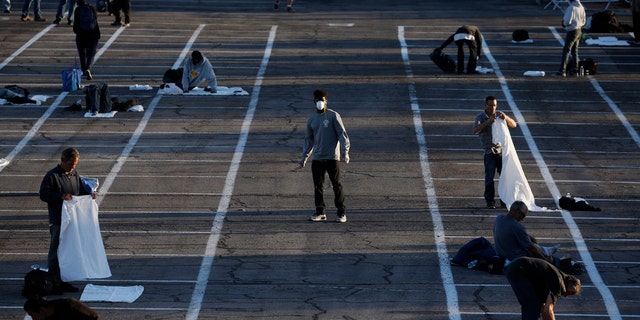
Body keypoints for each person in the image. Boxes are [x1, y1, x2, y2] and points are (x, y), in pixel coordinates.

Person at [39, 148, 96, 294]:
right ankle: (53, 282)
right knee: (56, 252)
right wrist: (61, 196)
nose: (73, 167)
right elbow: (44, 194)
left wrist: (90, 194)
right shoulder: (52, 176)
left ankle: (64, 281)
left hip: (72, 220)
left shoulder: (74, 174)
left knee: (69, 252)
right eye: (71, 164)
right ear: (63, 160)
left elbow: (80, 191)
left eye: (75, 164)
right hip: (58, 221)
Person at [300, 89, 350, 223]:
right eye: (318, 100)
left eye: (322, 100)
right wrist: (305, 156)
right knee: (318, 186)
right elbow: (309, 140)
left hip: (332, 157)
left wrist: (345, 151)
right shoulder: (312, 120)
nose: (320, 102)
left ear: (326, 101)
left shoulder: (333, 116)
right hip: (317, 158)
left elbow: (342, 133)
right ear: (314, 101)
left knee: (336, 184)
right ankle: (320, 211)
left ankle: (341, 213)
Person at [473, 96, 516, 209]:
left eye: (495, 105)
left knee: (504, 177)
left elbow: (514, 124)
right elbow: (475, 130)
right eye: (491, 105)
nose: (493, 108)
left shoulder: (499, 114)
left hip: (502, 151)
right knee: (489, 178)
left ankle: (504, 200)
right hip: (489, 152)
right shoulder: (481, 117)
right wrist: (488, 122)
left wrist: (506, 118)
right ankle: (490, 201)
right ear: (485, 105)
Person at [505, 257, 581, 320]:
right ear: (570, 286)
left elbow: (544, 308)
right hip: (520, 269)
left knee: (536, 303)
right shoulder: (559, 283)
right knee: (532, 304)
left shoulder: (556, 277)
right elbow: (548, 309)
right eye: (569, 293)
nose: (565, 296)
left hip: (516, 267)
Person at [556, 0, 586, 77]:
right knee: (574, 51)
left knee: (566, 50)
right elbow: (584, 21)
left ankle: (562, 70)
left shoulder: (571, 7)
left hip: (572, 31)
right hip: (579, 30)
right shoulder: (581, 7)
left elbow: (567, 21)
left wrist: (564, 23)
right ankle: (575, 69)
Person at [72, 0, 100, 80]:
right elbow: (95, 20)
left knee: (82, 53)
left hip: (81, 35)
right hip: (93, 34)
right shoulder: (92, 8)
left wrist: (77, 31)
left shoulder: (77, 10)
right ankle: (88, 68)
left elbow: (76, 24)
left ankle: (84, 70)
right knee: (91, 54)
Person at [24, 296, 99, 320]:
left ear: (42, 310)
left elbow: (94, 316)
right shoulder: (45, 316)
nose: (33, 319)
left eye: (33, 315)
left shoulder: (70, 305)